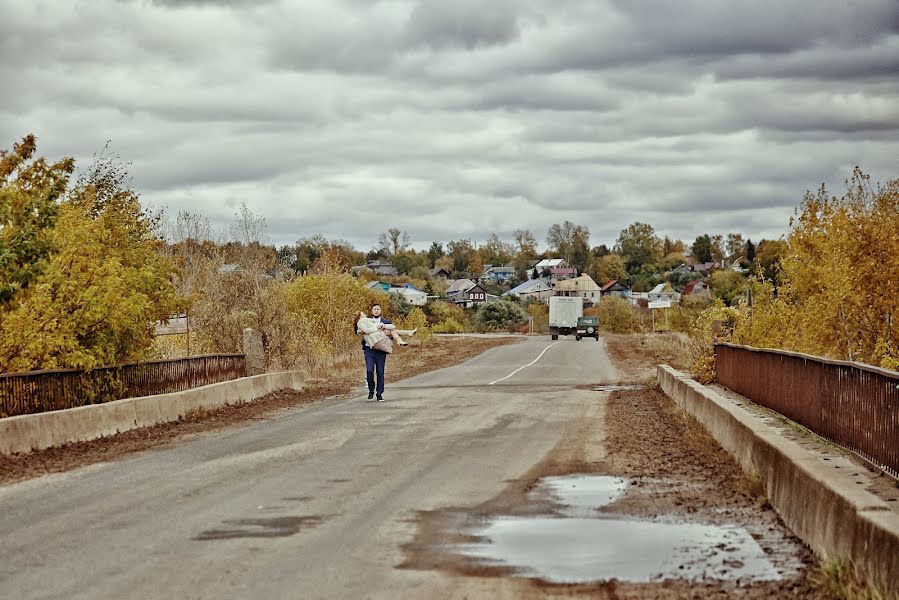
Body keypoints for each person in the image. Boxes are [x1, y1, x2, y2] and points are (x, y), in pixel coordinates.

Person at [354, 303, 415, 402]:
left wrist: (388, 334)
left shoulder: (386, 322)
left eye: (378, 309)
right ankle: (371, 390)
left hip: (381, 350)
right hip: (369, 349)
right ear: (371, 311)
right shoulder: (366, 321)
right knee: (369, 371)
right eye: (374, 309)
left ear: (381, 311)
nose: (376, 311)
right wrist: (359, 331)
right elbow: (357, 329)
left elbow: (391, 333)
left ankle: (379, 394)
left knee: (380, 372)